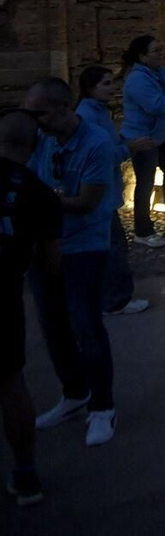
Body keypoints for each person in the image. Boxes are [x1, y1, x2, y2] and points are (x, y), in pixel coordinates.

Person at [22, 78, 121, 447]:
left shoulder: (97, 144)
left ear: (63, 108)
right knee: (53, 327)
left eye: (40, 113)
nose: (34, 121)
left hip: (84, 246)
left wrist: (40, 197)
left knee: (86, 326)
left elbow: (87, 201)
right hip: (43, 243)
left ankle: (103, 407)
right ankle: (74, 393)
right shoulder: (41, 140)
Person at [0, 109, 63, 505]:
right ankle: (26, 475)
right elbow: (51, 263)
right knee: (11, 383)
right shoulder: (40, 193)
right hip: (4, 292)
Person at [74, 68, 151, 317]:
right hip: (99, 195)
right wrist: (128, 148)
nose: (111, 88)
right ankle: (116, 300)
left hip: (105, 192)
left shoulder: (97, 112)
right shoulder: (88, 117)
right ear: (90, 88)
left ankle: (106, 295)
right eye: (106, 84)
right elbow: (100, 156)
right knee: (114, 248)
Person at [120, 37, 165, 248]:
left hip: (157, 136)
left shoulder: (159, 73)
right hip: (142, 139)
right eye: (155, 51)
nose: (161, 53)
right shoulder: (137, 80)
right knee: (145, 183)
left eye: (161, 49)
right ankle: (143, 231)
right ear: (142, 57)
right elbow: (157, 105)